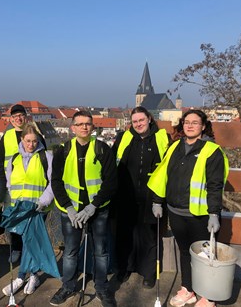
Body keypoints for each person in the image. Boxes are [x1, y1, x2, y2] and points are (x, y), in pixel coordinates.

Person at [148, 109, 229, 307]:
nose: (190, 125)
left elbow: (215, 185)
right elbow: (162, 175)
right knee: (185, 251)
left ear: (203, 126)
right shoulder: (175, 146)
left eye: (195, 122)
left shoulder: (212, 151)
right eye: (186, 122)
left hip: (200, 215)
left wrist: (214, 214)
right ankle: (188, 289)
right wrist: (157, 201)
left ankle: (208, 296)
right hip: (176, 212)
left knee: (205, 256)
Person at [50, 110, 118, 307]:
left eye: (88, 123)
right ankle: (68, 286)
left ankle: (101, 287)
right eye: (80, 124)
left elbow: (111, 182)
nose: (84, 127)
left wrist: (93, 206)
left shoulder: (102, 149)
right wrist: (68, 208)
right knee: (70, 251)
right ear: (73, 127)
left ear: (93, 127)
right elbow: (56, 182)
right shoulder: (63, 150)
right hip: (70, 211)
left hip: (97, 210)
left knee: (100, 251)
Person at [111, 106, 170, 288]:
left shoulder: (162, 138)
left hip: (152, 198)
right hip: (126, 197)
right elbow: (112, 164)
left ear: (150, 119)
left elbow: (168, 168)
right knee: (125, 235)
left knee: (150, 237)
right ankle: (125, 268)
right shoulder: (124, 138)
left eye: (141, 120)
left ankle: (149, 273)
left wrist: (159, 199)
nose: (138, 124)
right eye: (135, 121)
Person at [0, 123, 55, 296]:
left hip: (37, 208)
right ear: (22, 140)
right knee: (26, 242)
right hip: (19, 210)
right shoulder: (14, 159)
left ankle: (23, 276)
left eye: (34, 141)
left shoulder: (46, 156)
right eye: (28, 141)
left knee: (30, 241)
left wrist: (44, 201)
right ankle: (33, 275)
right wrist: (10, 205)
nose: (31, 144)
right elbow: (9, 184)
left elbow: (53, 183)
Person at [0, 103, 46, 264]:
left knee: (31, 223)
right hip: (12, 189)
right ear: (11, 119)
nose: (18, 119)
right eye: (15, 117)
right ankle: (16, 248)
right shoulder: (7, 136)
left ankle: (29, 252)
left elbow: (44, 160)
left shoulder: (35, 135)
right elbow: (0, 161)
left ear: (26, 117)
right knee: (14, 221)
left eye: (21, 116)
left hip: (31, 188)